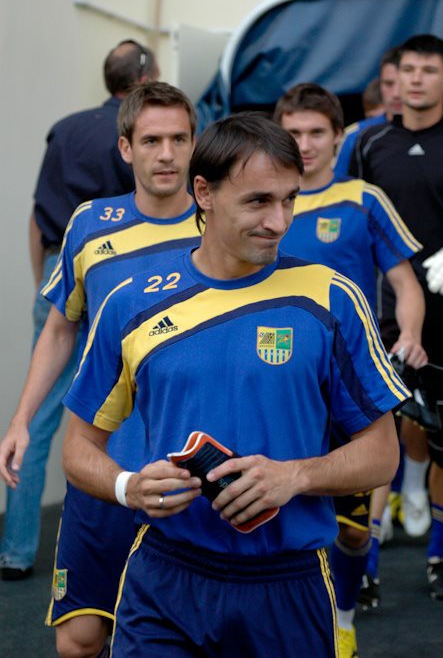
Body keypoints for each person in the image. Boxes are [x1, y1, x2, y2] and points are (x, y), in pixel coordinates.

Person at [61, 112, 406, 657]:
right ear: (205, 192)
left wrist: (294, 476)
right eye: (258, 201)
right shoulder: (130, 301)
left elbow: (382, 455)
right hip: (164, 578)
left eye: (289, 200)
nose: (279, 221)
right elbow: (78, 447)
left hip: (287, 584)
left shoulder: (331, 297)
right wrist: (129, 486)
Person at [0, 81, 199, 658]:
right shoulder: (90, 224)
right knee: (79, 641)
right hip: (100, 460)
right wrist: (21, 419)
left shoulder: (218, 228)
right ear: (126, 148)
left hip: (182, 467)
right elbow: (60, 328)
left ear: (194, 144)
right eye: (152, 140)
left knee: (170, 637)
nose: (167, 154)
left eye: (179, 139)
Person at [274, 82, 426, 656]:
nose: (305, 144)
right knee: (277, 505)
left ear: (340, 136)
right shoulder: (260, 198)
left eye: (317, 132)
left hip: (347, 383)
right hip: (278, 376)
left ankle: (343, 615)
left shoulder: (364, 199)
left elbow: (405, 284)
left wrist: (409, 335)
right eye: (293, 132)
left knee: (354, 531)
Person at [0, 39, 159, 583]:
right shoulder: (133, 138)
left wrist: (46, 285)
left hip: (60, 268)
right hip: (124, 276)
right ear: (144, 80)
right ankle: (126, 546)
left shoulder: (64, 130)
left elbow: (36, 216)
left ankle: (16, 551)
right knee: (126, 407)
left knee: (38, 419)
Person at [350, 34, 443, 601]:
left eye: (429, 70)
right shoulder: (369, 143)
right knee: (376, 436)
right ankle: (365, 565)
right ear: (396, 78)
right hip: (383, 313)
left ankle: (442, 557)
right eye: (409, 69)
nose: (417, 79)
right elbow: (349, 218)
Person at [334, 46, 402, 177]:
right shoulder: (355, 135)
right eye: (389, 84)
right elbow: (340, 184)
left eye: (403, 83)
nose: (396, 94)